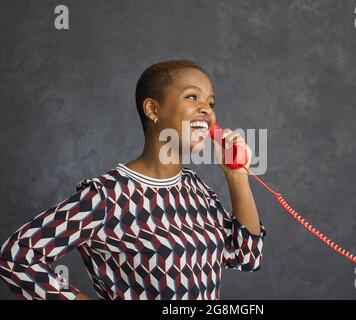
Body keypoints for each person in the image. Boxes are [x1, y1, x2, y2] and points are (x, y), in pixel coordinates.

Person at [0, 59, 266, 300]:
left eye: (210, 103)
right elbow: (17, 259)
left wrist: (236, 175)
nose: (206, 111)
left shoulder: (196, 190)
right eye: (192, 97)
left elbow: (247, 256)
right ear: (152, 109)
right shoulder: (107, 196)